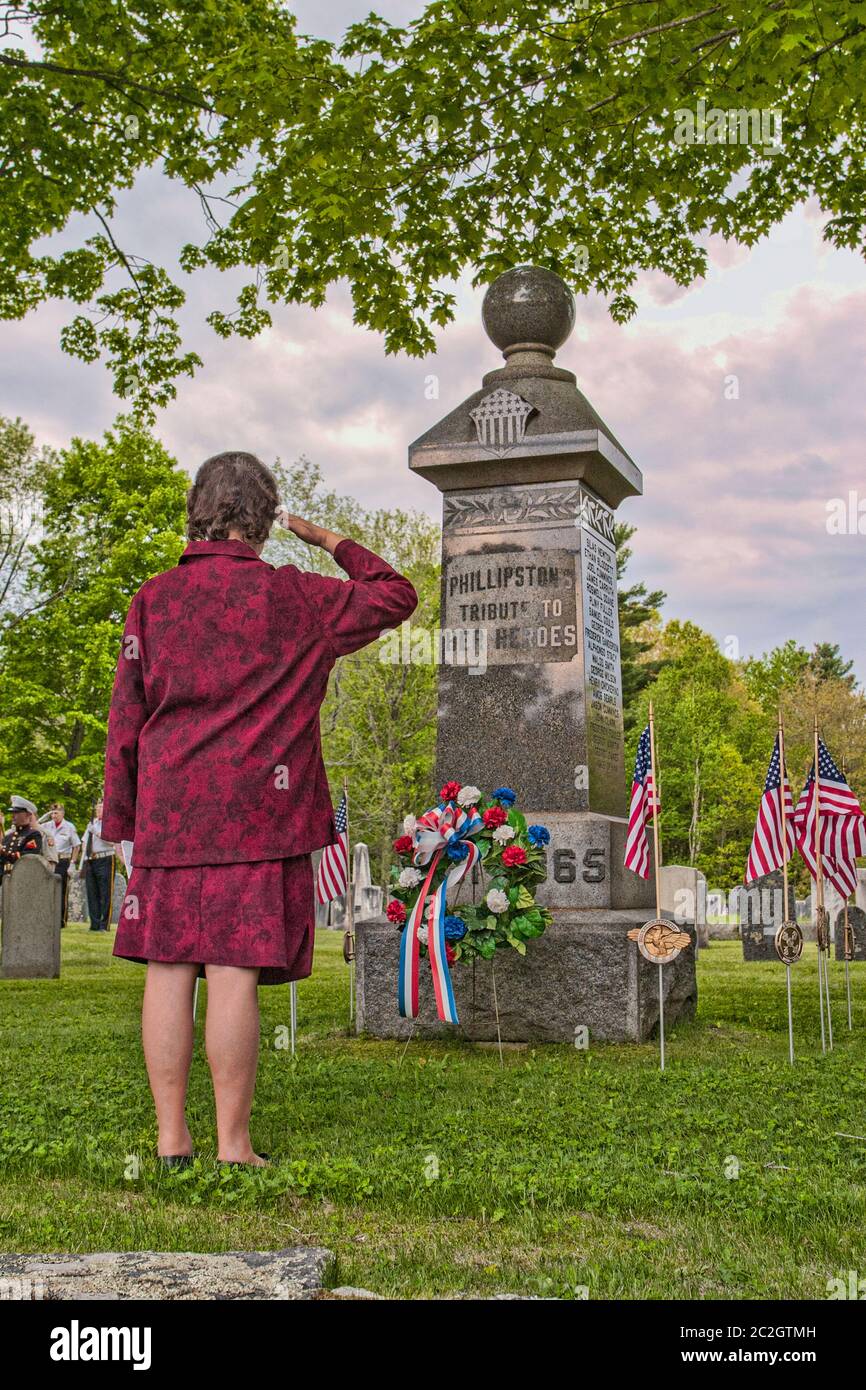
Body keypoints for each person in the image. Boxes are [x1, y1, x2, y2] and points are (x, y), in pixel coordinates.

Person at [101, 451, 417, 1168]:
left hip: (171, 811)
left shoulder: (152, 600)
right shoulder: (297, 596)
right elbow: (395, 594)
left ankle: (171, 1140)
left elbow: (128, 718)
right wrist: (329, 540)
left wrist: (121, 821)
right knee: (234, 971)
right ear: (267, 518)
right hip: (256, 815)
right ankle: (233, 1145)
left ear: (196, 510)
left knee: (169, 968)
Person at [76, 797, 119, 932]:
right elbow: (84, 842)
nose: (98, 810)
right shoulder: (92, 823)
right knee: (92, 892)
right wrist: (83, 859)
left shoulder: (110, 823)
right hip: (91, 859)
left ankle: (104, 924)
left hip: (105, 858)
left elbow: (112, 841)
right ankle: (94, 924)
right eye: (97, 808)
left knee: (105, 893)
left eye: (101, 807)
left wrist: (96, 832)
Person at [39, 802, 80, 926]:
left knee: (61, 890)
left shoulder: (69, 827)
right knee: (47, 889)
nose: (54, 815)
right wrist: (43, 818)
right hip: (49, 860)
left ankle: (61, 920)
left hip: (63, 860)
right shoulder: (46, 825)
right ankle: (48, 918)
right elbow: (35, 826)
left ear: (62, 813)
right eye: (52, 813)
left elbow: (76, 846)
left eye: (56, 813)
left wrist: (72, 863)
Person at [1, 795, 55, 871]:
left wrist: (2, 852)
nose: (13, 815)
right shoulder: (9, 836)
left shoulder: (34, 835)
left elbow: (26, 859)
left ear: (28, 815)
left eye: (17, 812)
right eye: (12, 812)